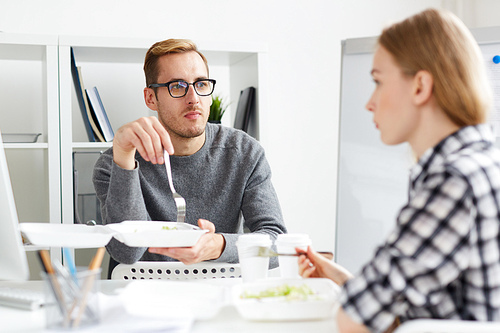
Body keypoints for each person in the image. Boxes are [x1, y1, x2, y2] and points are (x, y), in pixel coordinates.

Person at [299, 8, 500, 333]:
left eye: (378, 81)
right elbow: (426, 309)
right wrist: (342, 279)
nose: (369, 102)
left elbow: (355, 322)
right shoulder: (483, 163)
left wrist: (356, 299)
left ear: (420, 86)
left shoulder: (452, 182)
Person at [93, 38, 286, 276]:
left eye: (201, 84)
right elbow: (126, 253)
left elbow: (276, 244)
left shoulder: (244, 153)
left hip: (219, 290)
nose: (193, 98)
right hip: (141, 293)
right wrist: (124, 158)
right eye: (177, 86)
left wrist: (220, 245)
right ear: (151, 98)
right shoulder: (114, 162)